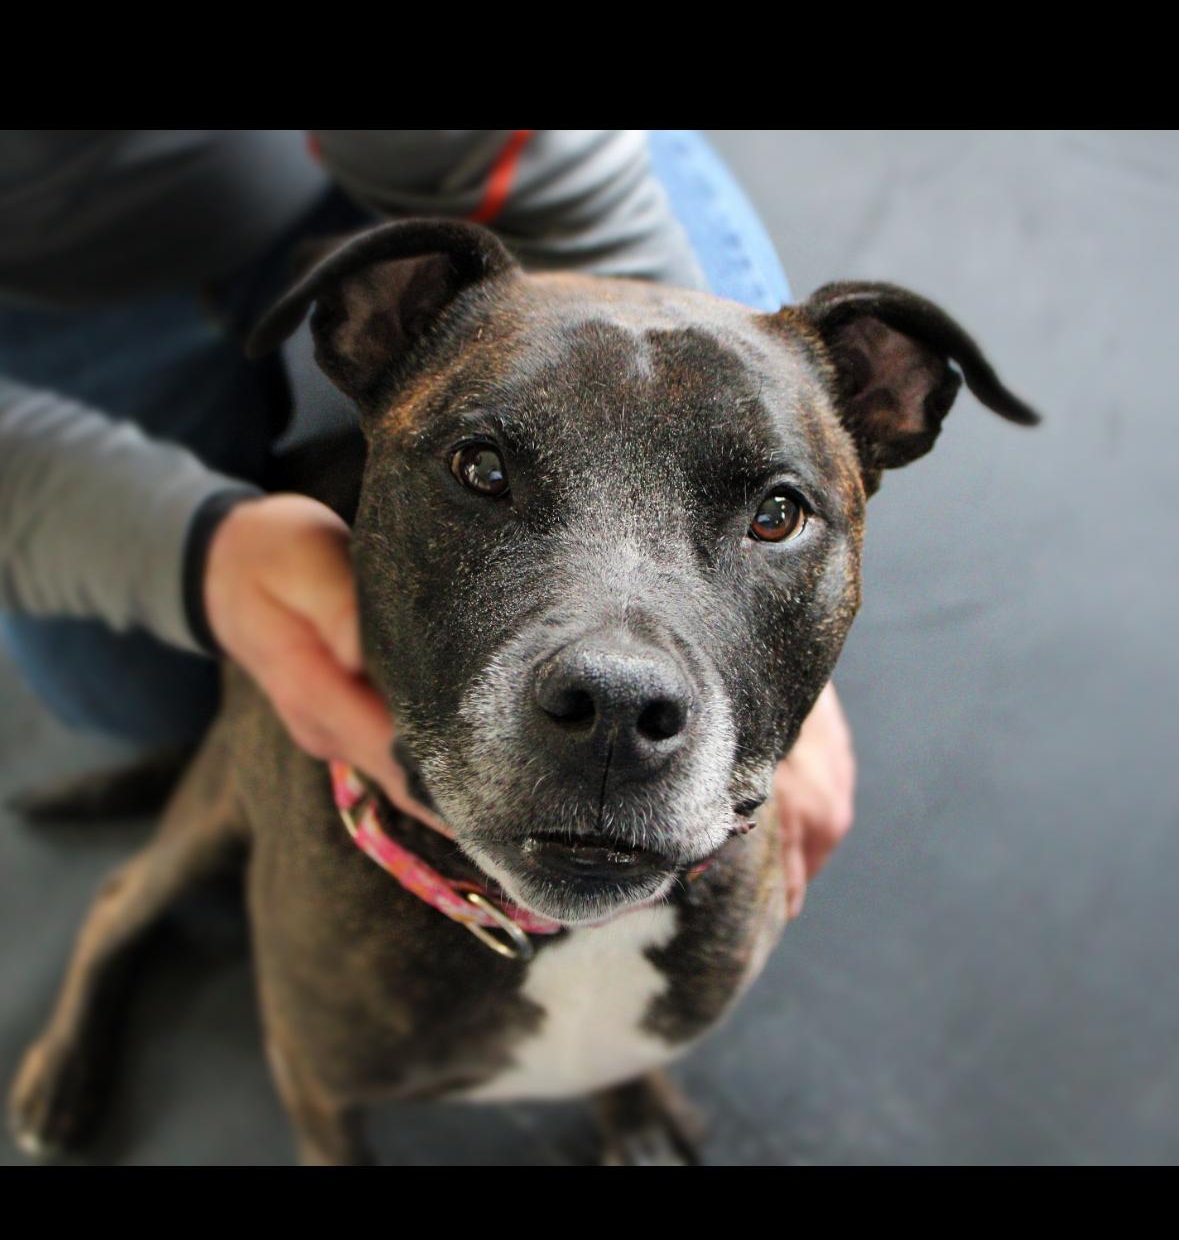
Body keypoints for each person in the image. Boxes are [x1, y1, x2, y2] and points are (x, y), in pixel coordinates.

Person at [0, 129, 854, 917]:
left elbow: (664, 340)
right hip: (38, 290)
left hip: (459, 155)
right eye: (482, 471)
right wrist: (190, 553)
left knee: (744, 384)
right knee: (138, 697)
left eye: (776, 518)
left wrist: (745, 629)